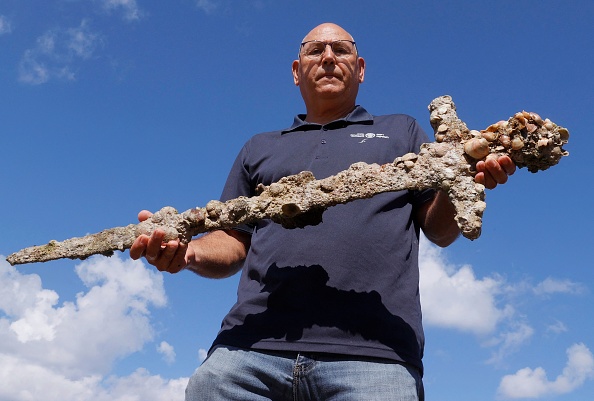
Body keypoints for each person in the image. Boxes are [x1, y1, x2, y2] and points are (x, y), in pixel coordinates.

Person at [130, 23, 515, 401]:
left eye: (341, 49)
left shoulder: (402, 131)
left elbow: (440, 230)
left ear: (359, 68)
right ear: (297, 72)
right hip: (248, 351)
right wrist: (190, 253)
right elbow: (234, 239)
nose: (328, 57)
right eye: (315, 50)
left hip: (374, 354)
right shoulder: (259, 146)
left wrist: (464, 179)